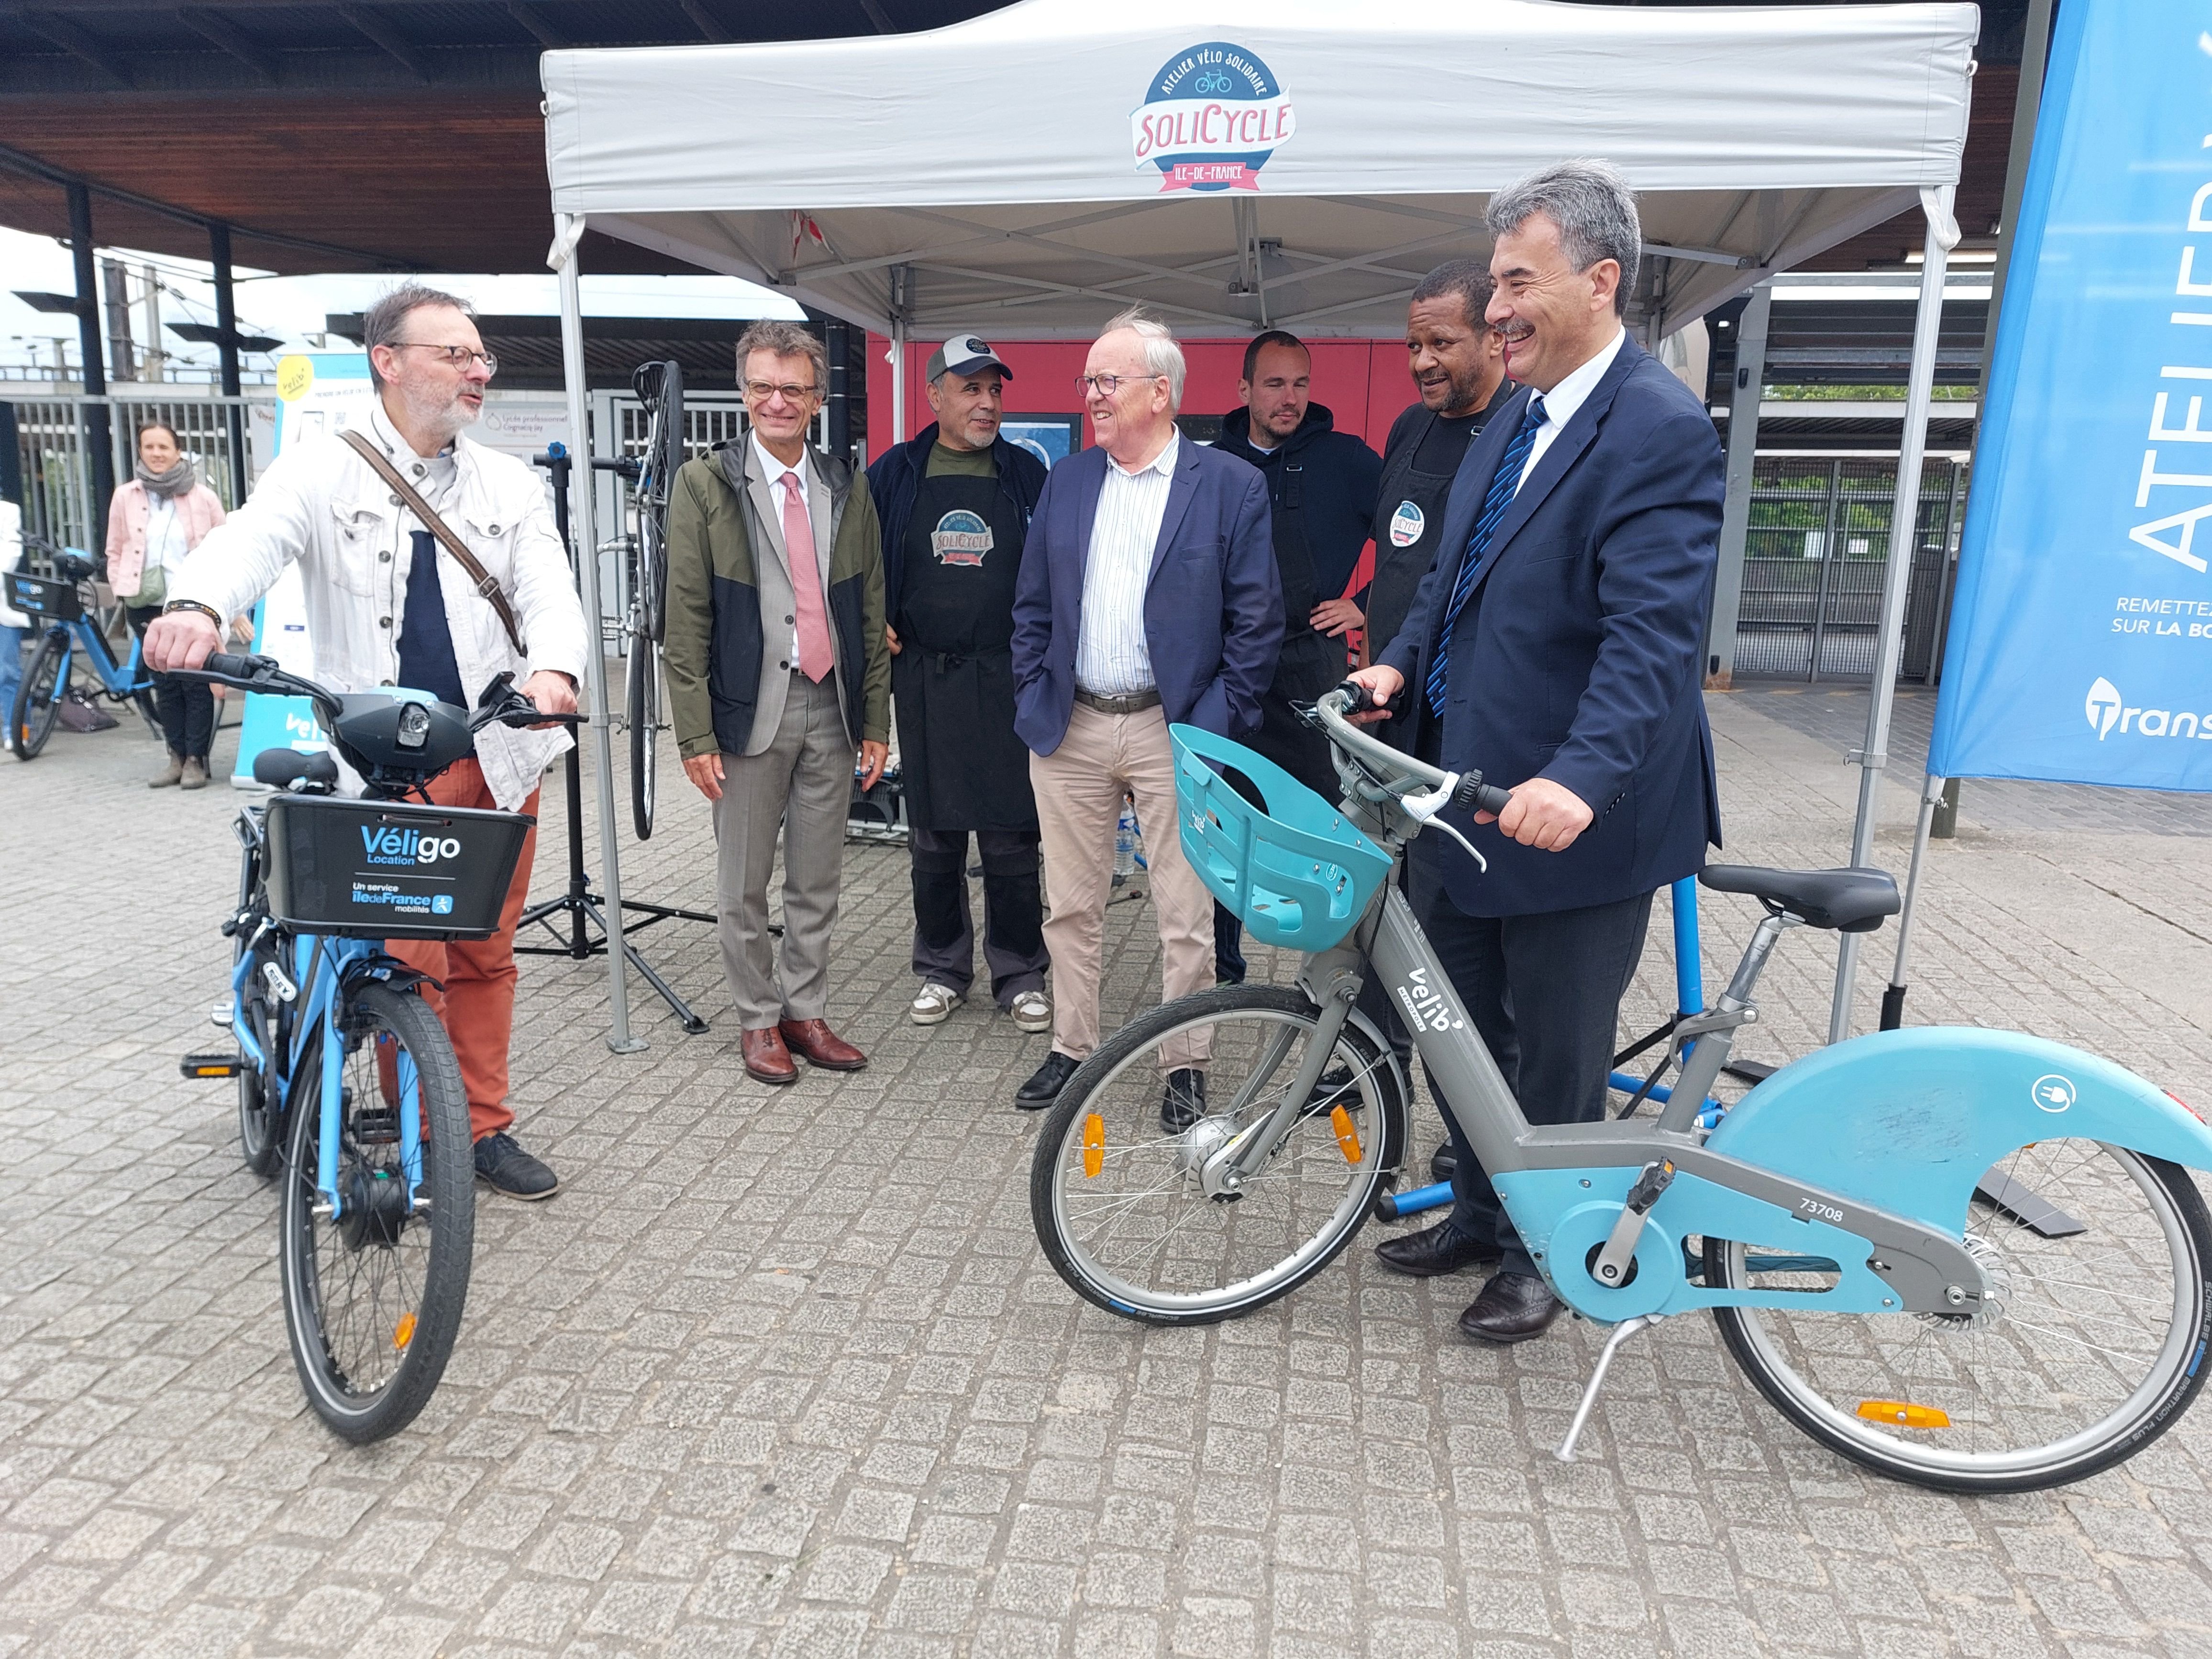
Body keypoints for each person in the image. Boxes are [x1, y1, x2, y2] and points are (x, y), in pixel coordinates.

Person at [1349, 160, 1725, 1343]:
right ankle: (1475, 1205)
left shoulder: (1656, 428)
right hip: (1463, 790)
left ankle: (1542, 1252)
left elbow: (1649, 641)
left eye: (1518, 280)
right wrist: (1397, 660)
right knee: (1456, 1020)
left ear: (1600, 280)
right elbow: (1448, 576)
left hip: (1573, 809)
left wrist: (1577, 776)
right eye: (1495, 282)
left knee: (1555, 1051)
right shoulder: (1514, 411)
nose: (1496, 306)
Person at [145, 282, 588, 1200]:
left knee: (484, 953)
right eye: (454, 353)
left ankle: (482, 1129)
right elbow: (250, 541)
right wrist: (197, 603)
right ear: (387, 361)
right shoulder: (319, 469)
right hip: (382, 764)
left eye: (480, 356)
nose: (477, 370)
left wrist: (555, 670)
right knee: (408, 961)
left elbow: (550, 589)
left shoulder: (510, 481)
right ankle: (423, 1134)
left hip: (494, 752)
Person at [1008, 307, 1283, 1119]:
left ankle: (1184, 1065)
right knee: (1069, 903)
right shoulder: (1067, 479)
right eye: (1087, 380)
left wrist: (1213, 727)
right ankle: (1071, 1046)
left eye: (1106, 380)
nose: (1090, 394)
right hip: (1072, 725)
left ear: (1159, 393)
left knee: (1183, 912)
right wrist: (1031, 691)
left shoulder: (1229, 485)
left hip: (1177, 730)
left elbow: (1255, 621)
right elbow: (1030, 606)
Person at [664, 320, 891, 1087]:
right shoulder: (707, 484)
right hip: (748, 708)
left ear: (818, 399)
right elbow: (685, 615)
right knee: (743, 884)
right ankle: (758, 1018)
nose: (777, 401)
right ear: (744, 391)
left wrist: (875, 721)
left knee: (817, 879)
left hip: (830, 705)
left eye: (793, 389)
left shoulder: (843, 483)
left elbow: (869, 608)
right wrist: (693, 732)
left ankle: (806, 1009)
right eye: (763, 386)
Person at [866, 334, 1053, 1035]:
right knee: (934, 841)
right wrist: (872, 618)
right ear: (934, 394)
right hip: (926, 678)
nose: (986, 403)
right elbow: (854, 561)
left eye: (995, 390)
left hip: (1007, 675)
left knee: (1011, 840)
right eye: (971, 388)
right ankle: (942, 970)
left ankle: (1021, 972)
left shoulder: (1027, 476)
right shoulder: (894, 474)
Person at [1211, 330, 1382, 983]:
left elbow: (1425, 533)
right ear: (1245, 390)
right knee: (1229, 817)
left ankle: (1334, 968)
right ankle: (1225, 965)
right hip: (1231, 669)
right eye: (1275, 384)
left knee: (1327, 819)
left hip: (1314, 666)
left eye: (1301, 384)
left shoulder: (1348, 461)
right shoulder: (1211, 464)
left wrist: (1362, 602)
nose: (1290, 399)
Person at [1366, 261, 1515, 696]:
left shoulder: (1524, 429)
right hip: (1389, 685)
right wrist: (1370, 660)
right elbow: (1389, 565)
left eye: (1441, 343)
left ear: (1496, 338)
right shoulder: (1409, 426)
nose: (1423, 362)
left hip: (1467, 691)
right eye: (1414, 346)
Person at [108, 422, 229, 787]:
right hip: (146, 605)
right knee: (165, 683)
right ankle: (175, 757)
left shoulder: (203, 497)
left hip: (192, 604)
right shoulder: (125, 496)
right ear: (141, 452)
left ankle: (197, 759)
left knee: (195, 683)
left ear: (178, 452)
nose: (157, 454)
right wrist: (121, 585)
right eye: (149, 447)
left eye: (164, 447)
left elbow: (226, 547)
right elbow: (115, 547)